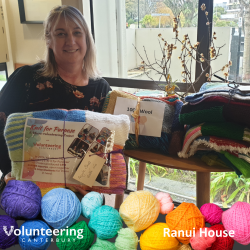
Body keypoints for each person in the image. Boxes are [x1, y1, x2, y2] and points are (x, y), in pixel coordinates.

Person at [0, 5, 111, 192]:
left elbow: (103, 143)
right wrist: (12, 171)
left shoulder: (101, 89)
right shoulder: (26, 79)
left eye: (77, 32)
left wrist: (89, 179)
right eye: (61, 34)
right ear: (49, 40)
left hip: (76, 192)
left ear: (87, 39)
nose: (71, 41)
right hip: (24, 188)